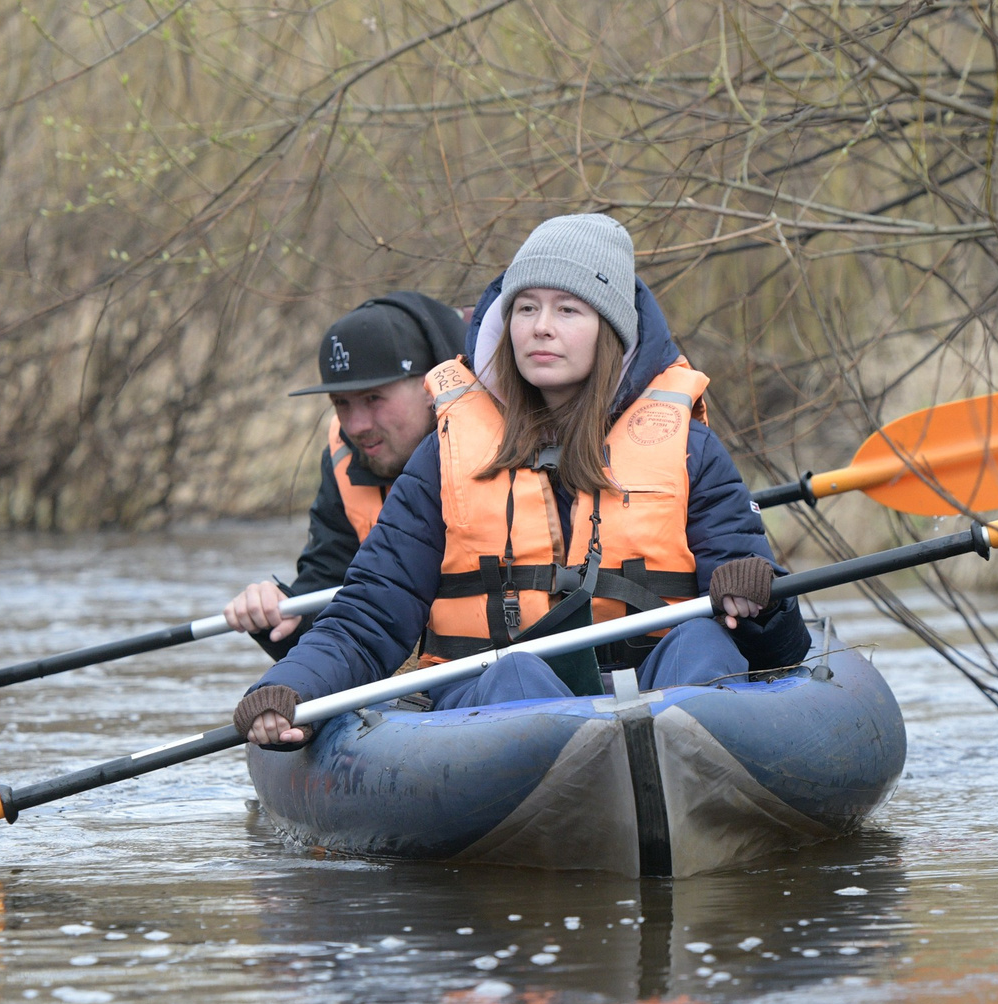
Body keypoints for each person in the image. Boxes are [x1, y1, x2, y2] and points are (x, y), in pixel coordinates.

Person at [235, 214, 808, 747]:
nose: (541, 328)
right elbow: (370, 613)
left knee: (703, 642)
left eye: (568, 310)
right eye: (526, 308)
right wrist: (293, 686)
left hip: (659, 689)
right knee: (517, 674)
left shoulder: (689, 448)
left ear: (610, 330)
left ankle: (679, 775)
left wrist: (759, 599)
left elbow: (783, 645)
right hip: (498, 705)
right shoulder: (442, 456)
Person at [223, 292, 466, 658]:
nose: (356, 426)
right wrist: (279, 614)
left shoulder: (506, 443)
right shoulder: (346, 460)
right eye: (341, 403)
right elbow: (325, 602)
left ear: (432, 386)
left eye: (373, 399)